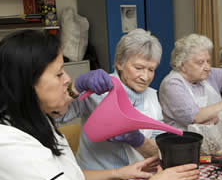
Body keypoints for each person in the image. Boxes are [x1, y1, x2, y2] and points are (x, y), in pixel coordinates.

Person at [0, 30, 199, 180]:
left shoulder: (37, 122)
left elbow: (68, 177)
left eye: (151, 69)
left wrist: (121, 173)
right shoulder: (3, 143)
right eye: (59, 73)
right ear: (25, 82)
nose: (68, 79)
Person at [58, 28, 168, 170]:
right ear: (119, 63)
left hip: (134, 178)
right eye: (139, 68)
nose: (145, 77)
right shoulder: (97, 89)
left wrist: (138, 140)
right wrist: (77, 87)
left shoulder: (152, 98)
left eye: (151, 70)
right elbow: (57, 115)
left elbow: (160, 151)